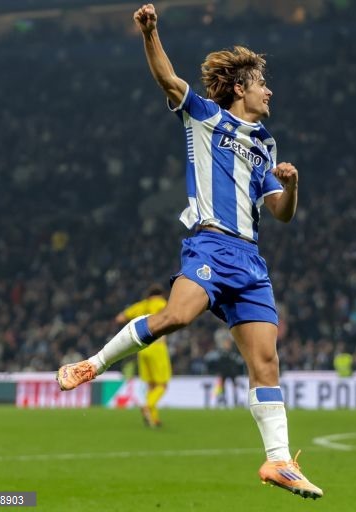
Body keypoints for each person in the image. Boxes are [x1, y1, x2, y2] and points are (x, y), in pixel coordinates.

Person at [56, 3, 323, 499]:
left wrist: (293, 184)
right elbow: (169, 80)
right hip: (210, 243)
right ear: (241, 87)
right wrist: (150, 33)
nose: (269, 91)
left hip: (250, 260)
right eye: (263, 83)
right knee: (176, 317)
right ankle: (93, 363)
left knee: (267, 362)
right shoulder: (205, 116)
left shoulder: (265, 143)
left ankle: (278, 462)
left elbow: (282, 213)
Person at [115, 284, 172, 428]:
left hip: (143, 347)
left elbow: (120, 318)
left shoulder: (141, 305)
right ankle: (147, 405)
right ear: (160, 294)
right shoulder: (162, 304)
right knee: (162, 385)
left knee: (151, 385)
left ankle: (153, 418)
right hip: (157, 346)